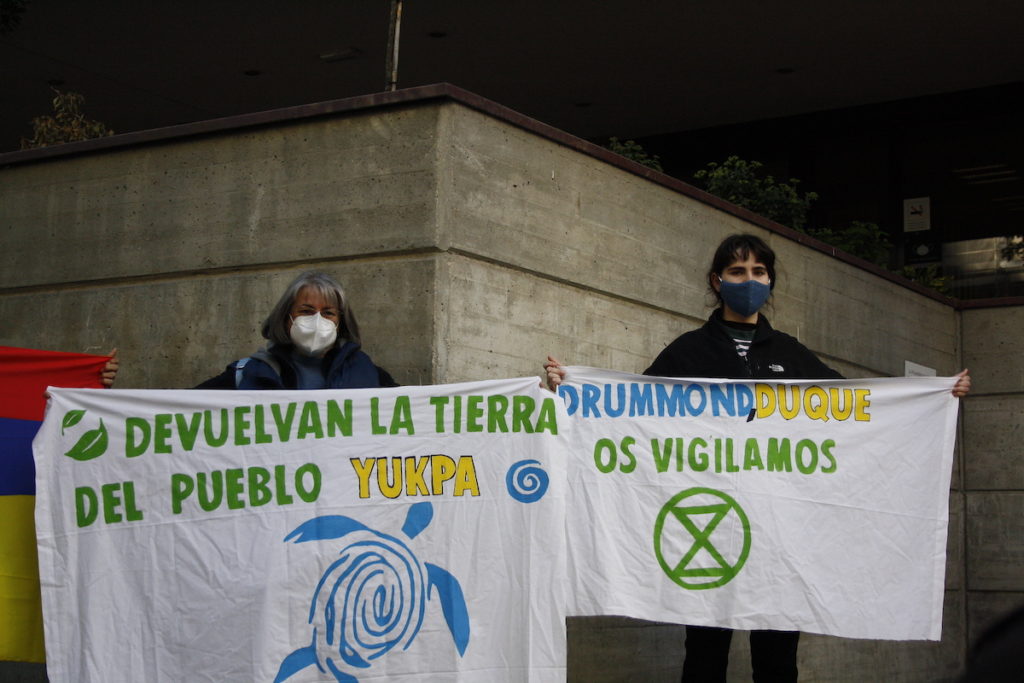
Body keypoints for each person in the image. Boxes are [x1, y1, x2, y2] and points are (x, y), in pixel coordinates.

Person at [545, 233, 971, 682]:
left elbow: (857, 409)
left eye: (758, 272)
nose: (749, 280)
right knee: (704, 657)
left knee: (777, 662)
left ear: (770, 281)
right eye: (737, 271)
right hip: (709, 532)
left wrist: (933, 396)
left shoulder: (791, 354)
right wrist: (571, 386)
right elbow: (629, 408)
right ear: (717, 280)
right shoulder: (689, 351)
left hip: (778, 539)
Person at [197, 271, 397, 390]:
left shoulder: (369, 373)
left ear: (340, 322)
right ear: (286, 317)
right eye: (306, 311)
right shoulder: (249, 373)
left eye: (328, 313)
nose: (317, 320)